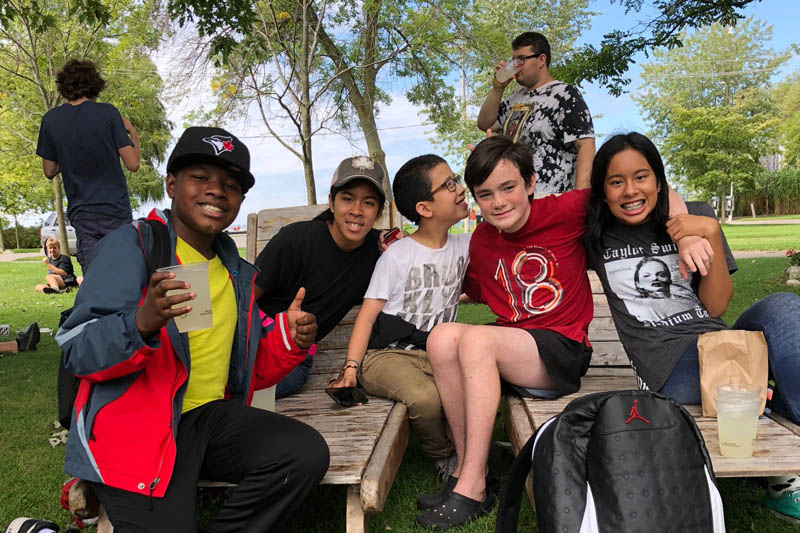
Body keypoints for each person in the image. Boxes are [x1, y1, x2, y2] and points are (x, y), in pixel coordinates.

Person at [56, 126, 329, 532]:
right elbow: (78, 350)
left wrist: (289, 338)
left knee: (303, 453)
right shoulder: (136, 246)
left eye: (232, 185)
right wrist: (141, 322)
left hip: (207, 421)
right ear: (171, 184)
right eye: (201, 177)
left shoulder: (232, 270)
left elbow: (245, 370)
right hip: (136, 433)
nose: (217, 191)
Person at [584, 131, 800, 523]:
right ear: (602, 191)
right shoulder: (595, 233)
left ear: (658, 181)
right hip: (670, 369)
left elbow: (716, 305)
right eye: (616, 181)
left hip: (716, 343)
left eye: (641, 176)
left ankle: (787, 464)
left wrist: (709, 235)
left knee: (785, 307)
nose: (630, 190)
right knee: (763, 373)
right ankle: (784, 477)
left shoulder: (693, 221)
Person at [414, 136, 595, 530]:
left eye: (508, 187)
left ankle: (474, 488)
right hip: (515, 345)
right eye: (485, 194)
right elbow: (471, 287)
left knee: (478, 339)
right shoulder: (482, 239)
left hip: (562, 349)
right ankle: (466, 469)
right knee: (442, 337)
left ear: (530, 182)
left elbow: (657, 192)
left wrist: (687, 231)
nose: (498, 202)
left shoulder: (567, 209)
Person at [327, 154, 470, 481]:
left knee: (476, 386)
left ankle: (471, 448)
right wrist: (351, 368)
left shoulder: (465, 245)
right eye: (449, 184)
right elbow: (367, 316)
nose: (459, 189)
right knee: (426, 398)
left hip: (438, 353)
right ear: (425, 208)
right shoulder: (397, 255)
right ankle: (443, 456)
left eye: (456, 179)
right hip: (386, 355)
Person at [254, 156, 387, 398]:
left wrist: (400, 250)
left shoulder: (380, 253)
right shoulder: (295, 240)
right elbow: (241, 298)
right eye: (347, 199)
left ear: (378, 213)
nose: (357, 211)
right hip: (254, 341)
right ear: (332, 203)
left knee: (254, 389)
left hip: (295, 359)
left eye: (368, 203)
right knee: (230, 383)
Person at [37, 59, 141, 271]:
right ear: (95, 84)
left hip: (81, 211)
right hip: (115, 209)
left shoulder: (51, 120)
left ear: (64, 86)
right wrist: (133, 133)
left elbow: (49, 171)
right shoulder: (108, 113)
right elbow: (133, 164)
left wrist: (68, 153)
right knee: (122, 272)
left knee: (94, 276)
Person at [476, 32, 595, 193]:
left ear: (541, 60)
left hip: (552, 201)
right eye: (513, 60)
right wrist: (497, 88)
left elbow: (586, 144)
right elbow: (486, 124)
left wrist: (581, 197)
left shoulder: (564, 94)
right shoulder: (514, 100)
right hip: (517, 202)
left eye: (521, 59)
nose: (516, 65)